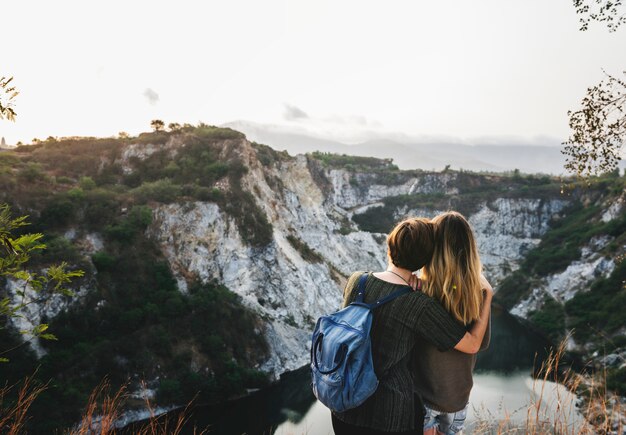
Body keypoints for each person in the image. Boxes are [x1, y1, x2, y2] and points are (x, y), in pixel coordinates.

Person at [331, 217, 493, 435]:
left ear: (389, 245)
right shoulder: (418, 303)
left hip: (344, 402)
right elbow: (473, 344)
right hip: (390, 414)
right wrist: (487, 294)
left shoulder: (357, 281)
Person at [412, 211, 492, 435]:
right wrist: (489, 296)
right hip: (457, 398)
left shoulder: (420, 290)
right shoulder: (477, 294)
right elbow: (481, 342)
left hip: (424, 397)